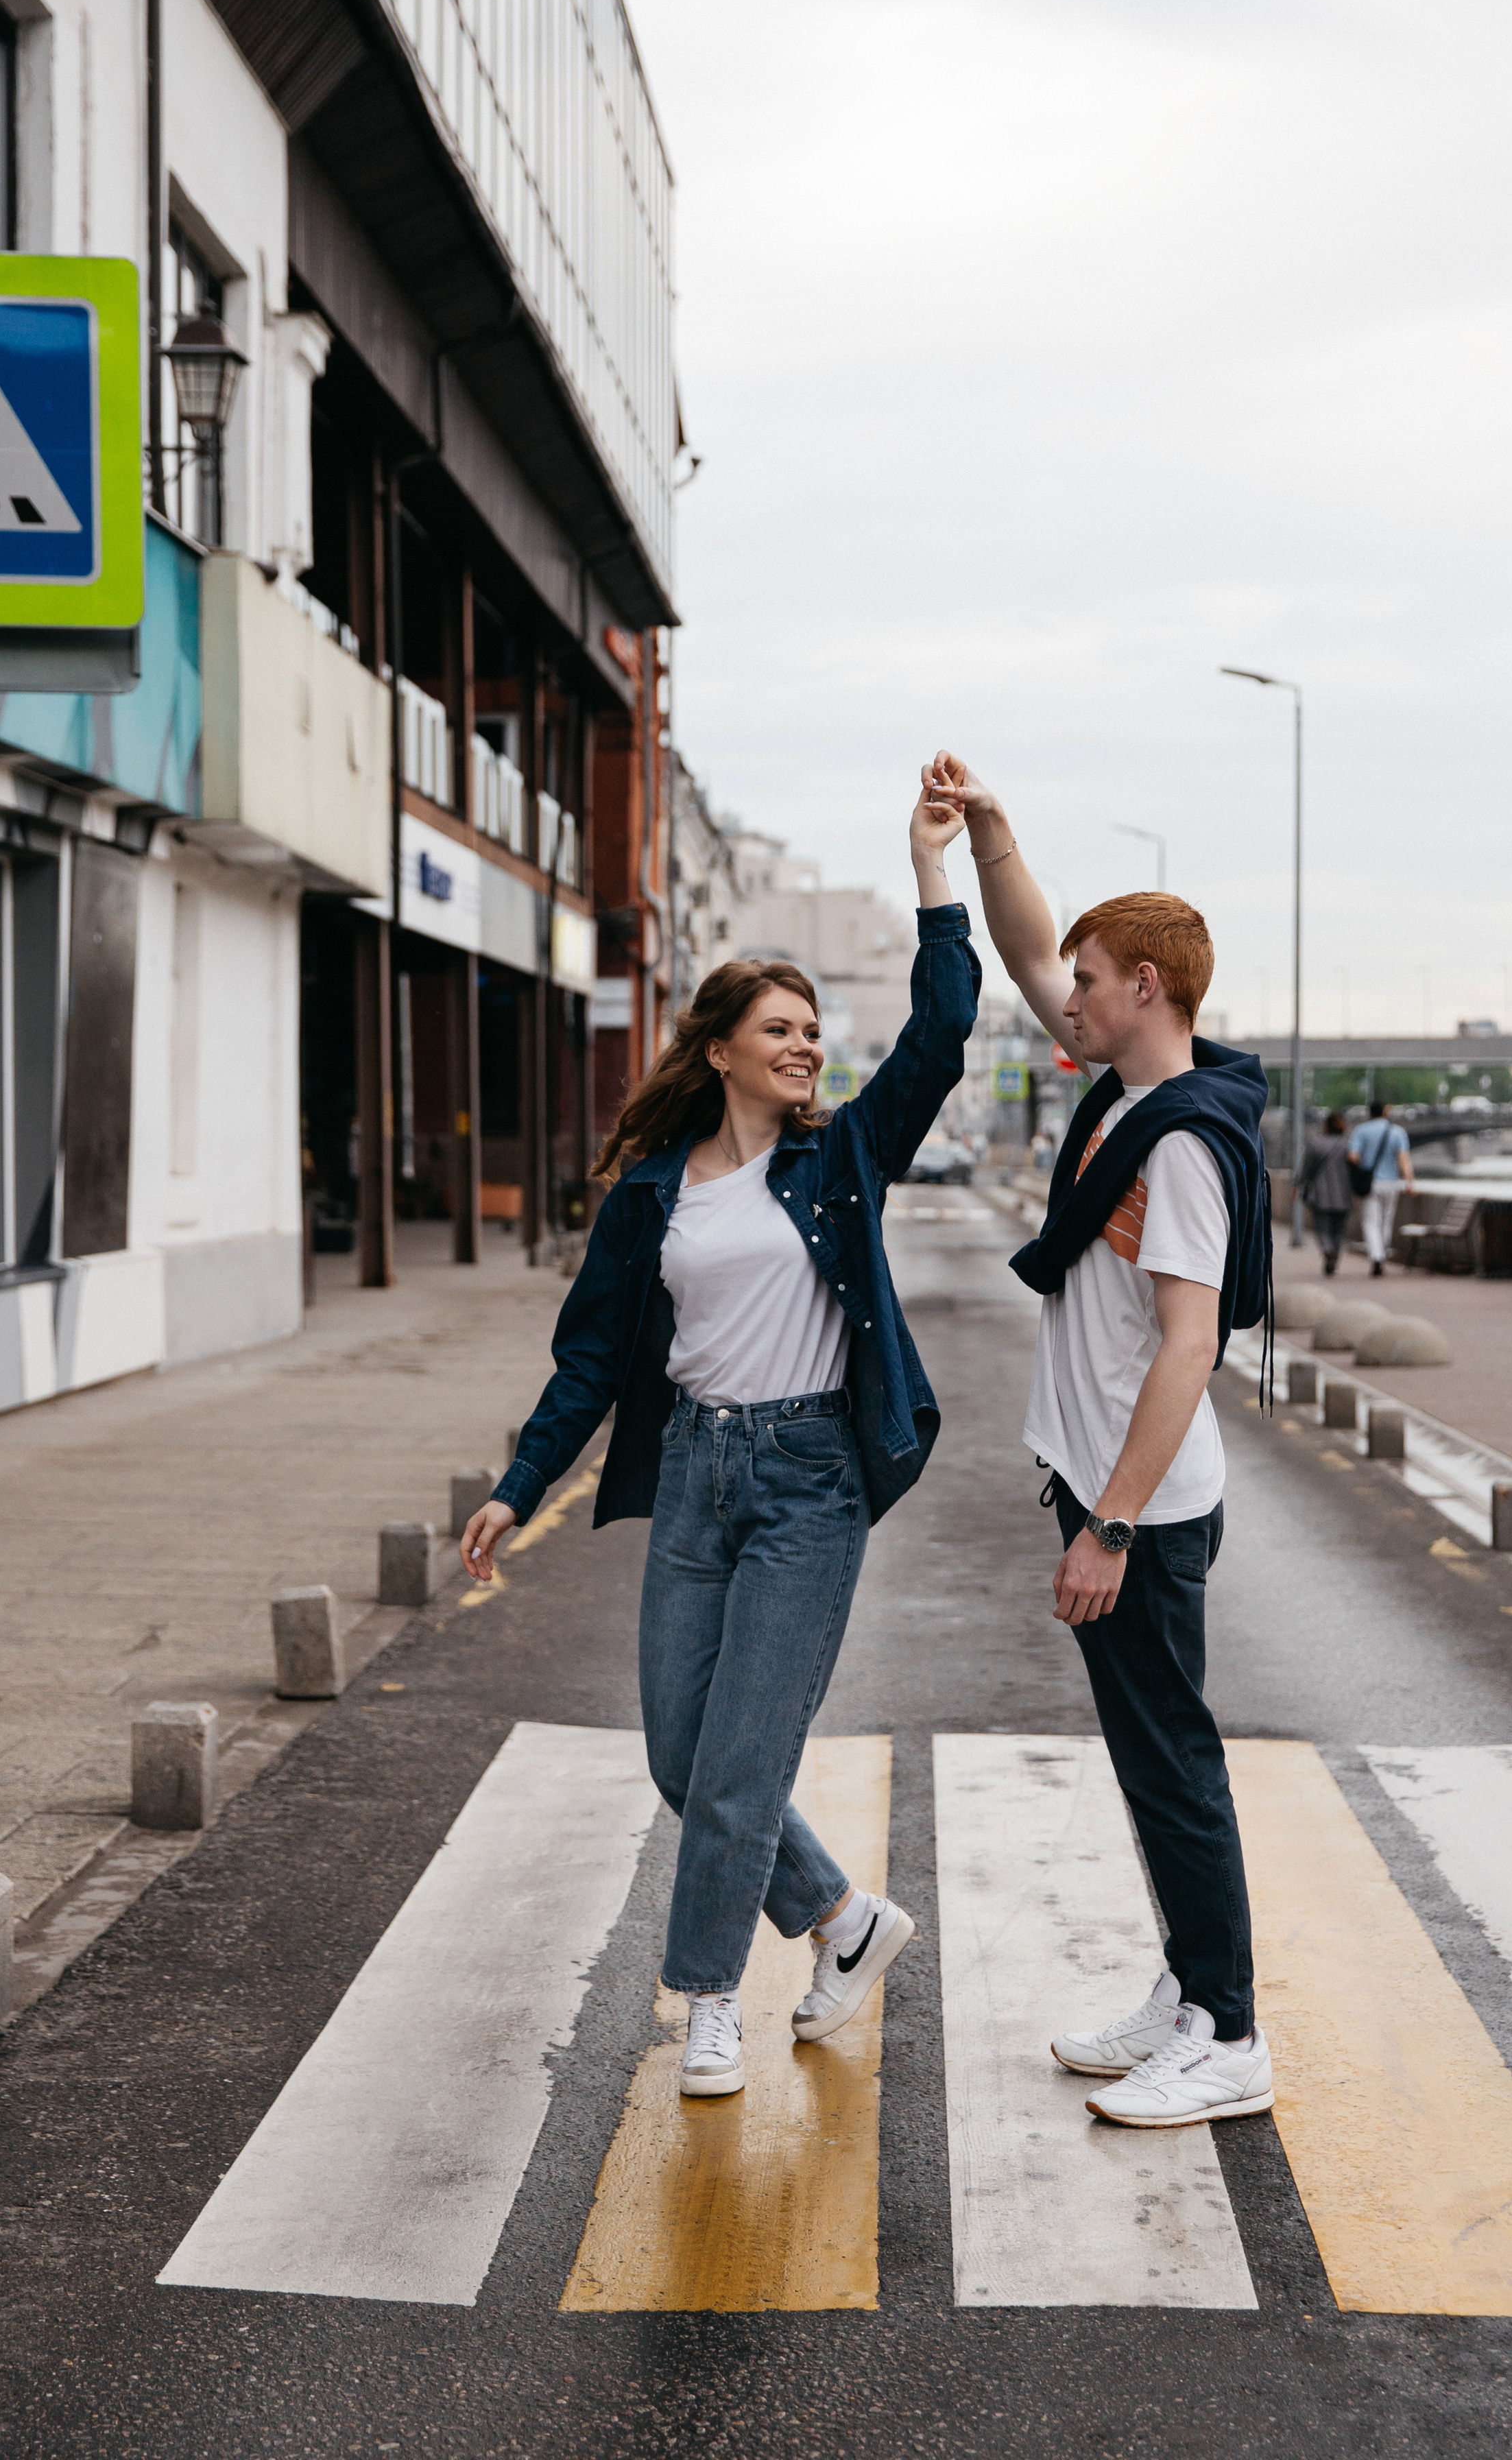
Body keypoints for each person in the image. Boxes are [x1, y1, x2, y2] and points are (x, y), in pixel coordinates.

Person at [461, 782, 979, 2103]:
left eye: (813, 1031)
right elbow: (591, 1361)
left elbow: (944, 1030)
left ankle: (704, 2003)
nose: (807, 1048)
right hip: (696, 1472)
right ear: (724, 1052)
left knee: (742, 1764)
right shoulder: (651, 1195)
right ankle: (847, 1922)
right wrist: (520, 1490)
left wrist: (932, 874)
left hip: (810, 1480)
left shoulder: (846, 1156)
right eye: (783, 1030)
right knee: (681, 1756)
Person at [925, 748, 1274, 2131]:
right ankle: (1187, 1997)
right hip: (1105, 1491)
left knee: (1172, 1761)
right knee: (1147, 1761)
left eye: (1086, 978)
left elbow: (1190, 1346)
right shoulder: (1122, 1097)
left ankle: (1230, 2034)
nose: (1061, 997)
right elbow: (1022, 949)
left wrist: (1109, 1523)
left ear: (1146, 987)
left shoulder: (1179, 1141)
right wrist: (990, 834)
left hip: (1144, 1510)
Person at [1347, 1098, 1413, 1276]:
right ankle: (1382, 1253)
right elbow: (1403, 1159)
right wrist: (1410, 1182)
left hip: (1371, 1183)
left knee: (1370, 1221)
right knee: (1386, 1220)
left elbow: (1353, 1156)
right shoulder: (1397, 1132)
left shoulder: (1361, 1131)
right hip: (1391, 1183)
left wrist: (1362, 1167)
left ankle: (1376, 1256)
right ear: (1385, 1112)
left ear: (1369, 1113)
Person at [1296, 1110, 1354, 1276]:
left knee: (1321, 1228)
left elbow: (1306, 1169)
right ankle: (1334, 1255)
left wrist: (1298, 1185)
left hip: (1320, 1194)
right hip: (1343, 1194)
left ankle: (1327, 1250)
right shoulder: (1347, 1145)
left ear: (1326, 1126)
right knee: (1339, 1230)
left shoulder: (1315, 1144)